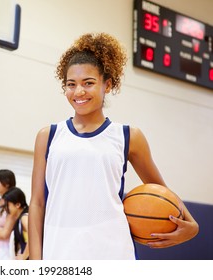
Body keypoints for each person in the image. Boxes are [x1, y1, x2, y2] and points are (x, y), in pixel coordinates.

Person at [28, 33, 199, 260]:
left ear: (107, 84)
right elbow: (38, 203)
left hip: (113, 254)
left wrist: (192, 226)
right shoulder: (48, 136)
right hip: (59, 254)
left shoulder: (128, 136)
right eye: (71, 84)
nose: (78, 92)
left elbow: (161, 190)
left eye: (88, 83)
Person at [2, 187, 29, 260]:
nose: (5, 209)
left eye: (7, 205)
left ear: (17, 205)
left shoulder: (24, 218)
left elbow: (34, 235)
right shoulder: (19, 219)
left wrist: (24, 256)